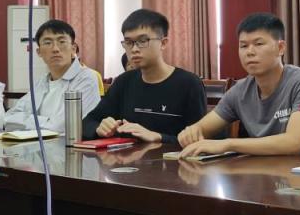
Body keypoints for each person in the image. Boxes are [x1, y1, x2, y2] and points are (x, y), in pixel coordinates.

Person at [177, 13, 300, 159]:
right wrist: (192, 132)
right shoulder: (239, 91)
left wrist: (228, 144)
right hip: (261, 172)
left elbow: (294, 143)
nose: (249, 52)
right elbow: (202, 128)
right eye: (243, 46)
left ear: (281, 48)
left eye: (258, 44)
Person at [84, 9, 207, 143]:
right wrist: (99, 128)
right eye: (129, 42)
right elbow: (87, 123)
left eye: (143, 41)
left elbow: (201, 139)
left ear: (163, 43)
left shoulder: (189, 84)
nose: (134, 49)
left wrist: (159, 137)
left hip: (171, 156)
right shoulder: (124, 81)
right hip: (126, 156)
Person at [3, 19, 101, 133]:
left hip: (71, 143)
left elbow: (63, 126)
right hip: (38, 142)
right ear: (39, 52)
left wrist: (27, 120)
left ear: (73, 48)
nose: (55, 49)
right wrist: (48, 121)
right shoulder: (42, 81)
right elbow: (8, 118)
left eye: (62, 41)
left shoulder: (86, 78)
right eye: (48, 43)